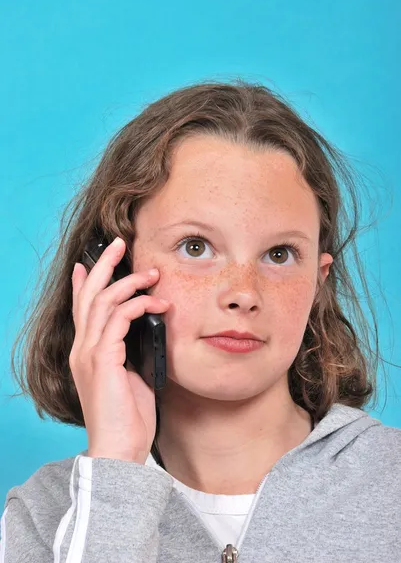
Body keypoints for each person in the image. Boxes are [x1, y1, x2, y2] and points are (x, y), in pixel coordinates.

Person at [1, 80, 400, 563]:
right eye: (196, 247)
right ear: (114, 271)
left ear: (317, 281)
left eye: (279, 254)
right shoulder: (41, 517)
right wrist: (115, 477)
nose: (243, 293)